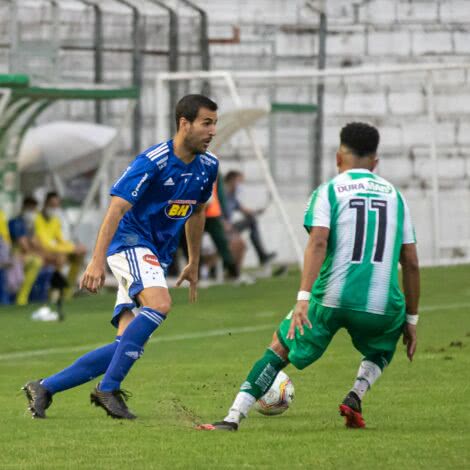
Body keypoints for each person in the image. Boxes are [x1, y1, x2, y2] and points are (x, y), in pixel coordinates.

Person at [198, 122, 420, 431]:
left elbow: (318, 242)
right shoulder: (397, 198)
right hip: (380, 304)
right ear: (376, 161)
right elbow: (410, 262)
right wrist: (410, 321)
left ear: (339, 156)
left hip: (331, 297)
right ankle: (356, 393)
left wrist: (303, 298)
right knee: (383, 346)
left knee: (280, 347)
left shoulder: (329, 191)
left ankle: (233, 417)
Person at [22, 94, 219, 419]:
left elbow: (197, 213)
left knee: (125, 345)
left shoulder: (208, 167)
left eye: (214, 124)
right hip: (129, 243)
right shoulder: (153, 161)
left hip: (156, 253)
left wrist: (194, 261)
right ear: (184, 124)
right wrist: (97, 261)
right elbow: (116, 207)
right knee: (160, 304)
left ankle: (45, 387)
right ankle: (107, 388)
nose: (212, 131)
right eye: (206, 123)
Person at [34, 191, 87, 300]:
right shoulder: (37, 218)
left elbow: (60, 240)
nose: (55, 208)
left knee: (79, 255)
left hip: (54, 250)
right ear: (45, 204)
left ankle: (68, 292)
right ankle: (53, 292)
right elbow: (45, 243)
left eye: (57, 205)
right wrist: (71, 248)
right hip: (41, 251)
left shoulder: (55, 220)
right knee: (61, 258)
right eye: (52, 205)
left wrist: (75, 247)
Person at [223, 170, 275, 266]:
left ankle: (262, 255)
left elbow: (246, 211)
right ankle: (261, 256)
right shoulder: (221, 194)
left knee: (252, 220)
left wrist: (259, 211)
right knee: (250, 223)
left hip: (230, 228)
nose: (241, 186)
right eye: (239, 182)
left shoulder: (233, 197)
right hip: (221, 227)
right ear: (232, 180)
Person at [8, 196, 43, 306]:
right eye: (30, 209)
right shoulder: (16, 222)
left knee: (40, 260)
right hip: (13, 254)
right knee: (36, 261)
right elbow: (23, 245)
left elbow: (37, 243)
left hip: (23, 255)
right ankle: (21, 298)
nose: (32, 212)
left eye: (34, 209)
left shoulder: (31, 225)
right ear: (23, 207)